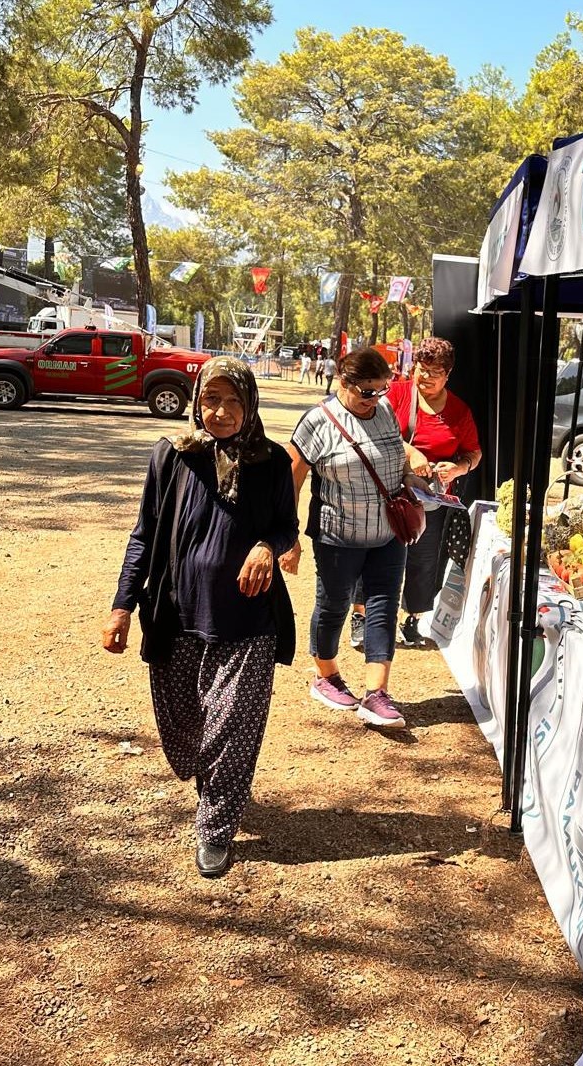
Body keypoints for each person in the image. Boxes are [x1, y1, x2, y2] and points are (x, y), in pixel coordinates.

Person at [102, 356, 297, 879]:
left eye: (234, 401)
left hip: (249, 622)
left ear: (250, 404)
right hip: (177, 616)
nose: (221, 412)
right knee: (186, 731)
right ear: (196, 402)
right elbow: (143, 533)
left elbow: (287, 527)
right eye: (211, 399)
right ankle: (214, 780)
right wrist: (123, 606)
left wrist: (266, 547)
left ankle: (215, 828)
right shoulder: (172, 456)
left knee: (233, 727)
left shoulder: (273, 461)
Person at [282, 348, 419, 729]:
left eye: (382, 389)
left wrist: (414, 479)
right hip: (338, 536)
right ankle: (326, 676)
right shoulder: (317, 421)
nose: (375, 399)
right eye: (366, 392)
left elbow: (395, 458)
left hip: (389, 534)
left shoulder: (386, 410)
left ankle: (377, 694)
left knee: (383, 605)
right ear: (343, 383)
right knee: (334, 605)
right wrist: (289, 535)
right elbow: (292, 478)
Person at [384, 337, 481, 646]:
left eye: (433, 372)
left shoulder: (459, 411)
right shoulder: (397, 393)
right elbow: (376, 431)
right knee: (381, 555)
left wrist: (456, 468)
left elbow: (473, 453)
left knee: (423, 562)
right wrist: (411, 452)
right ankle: (364, 615)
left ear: (448, 374)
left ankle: (412, 618)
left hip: (431, 501)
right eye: (420, 369)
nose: (424, 377)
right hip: (390, 492)